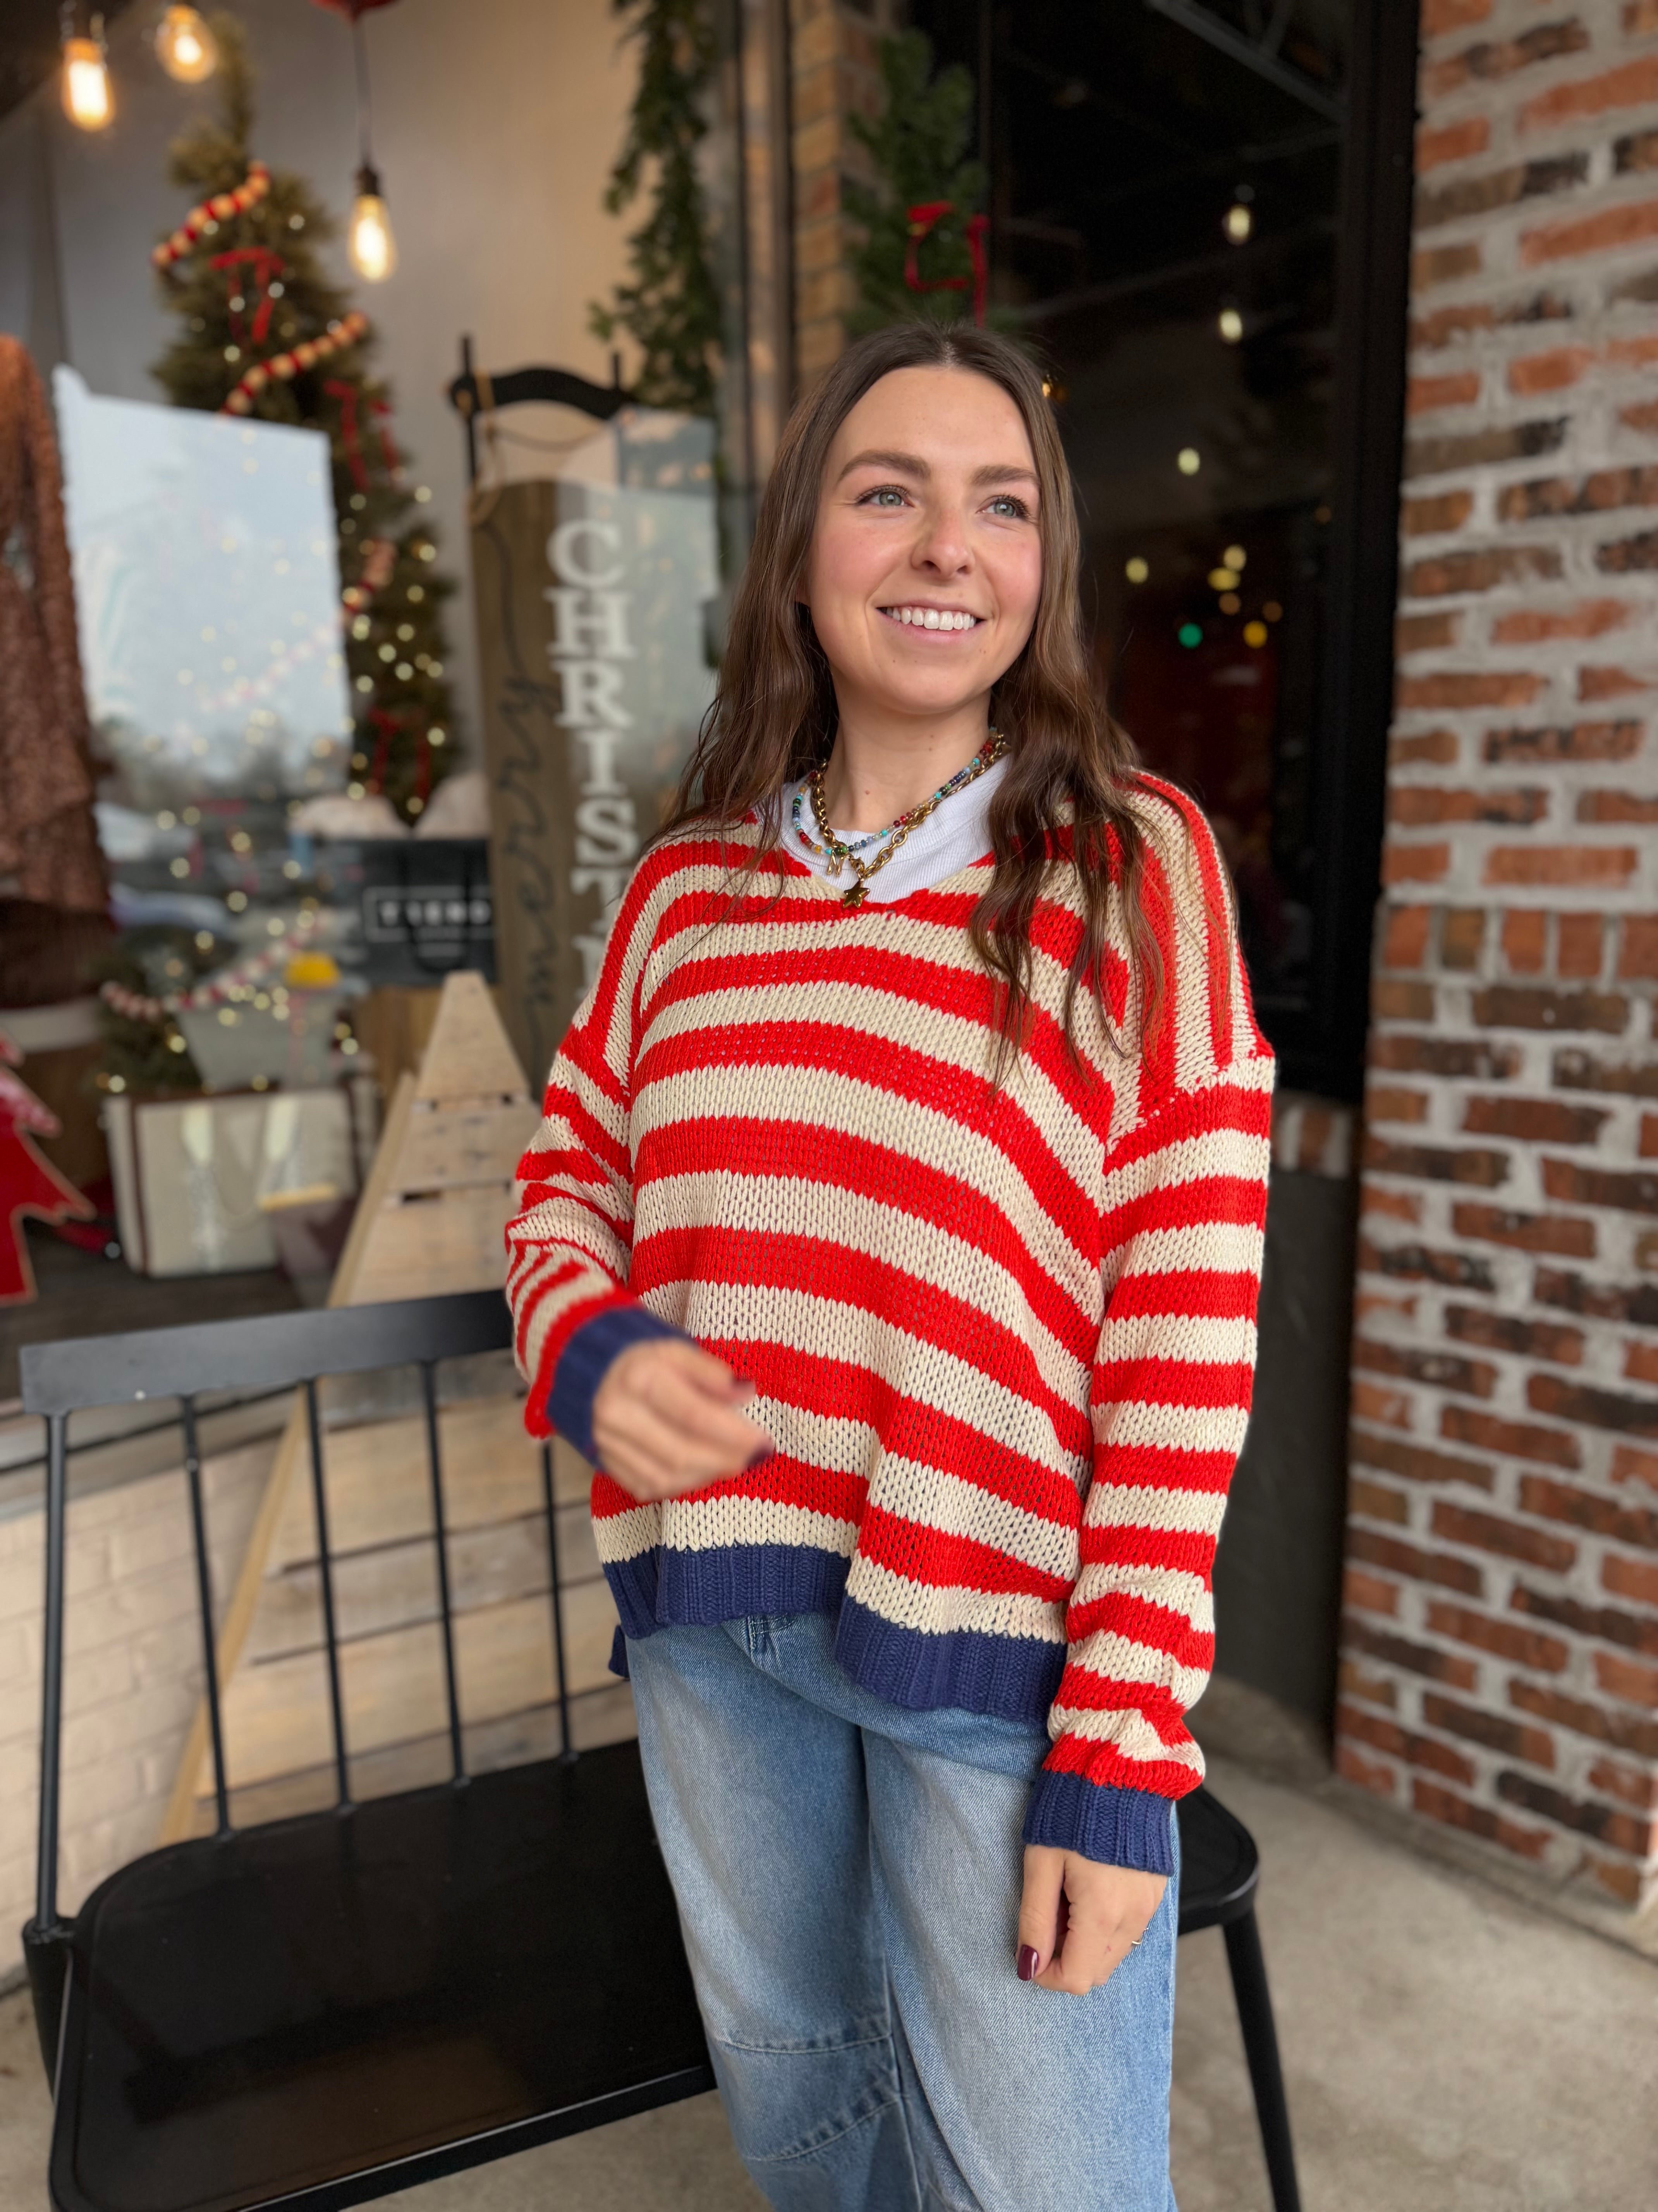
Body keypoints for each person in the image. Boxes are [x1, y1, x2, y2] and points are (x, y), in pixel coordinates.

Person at [506, 321, 1275, 2212]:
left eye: (999, 506)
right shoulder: (686, 892)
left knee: (1045, 2187)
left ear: (1043, 570)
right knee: (814, 2133)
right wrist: (589, 1356)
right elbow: (558, 1193)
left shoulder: (1134, 865)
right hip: (715, 1633)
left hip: (992, 1656)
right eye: (889, 493)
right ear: (800, 552)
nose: (948, 545)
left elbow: (1181, 1340)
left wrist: (1121, 1749)